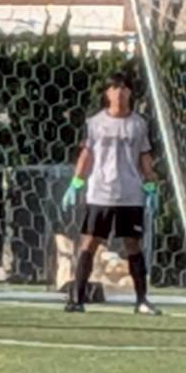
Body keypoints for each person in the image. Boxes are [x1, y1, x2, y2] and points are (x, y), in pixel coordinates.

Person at [60, 71, 160, 316]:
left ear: (131, 92)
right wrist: (76, 182)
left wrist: (150, 184)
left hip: (130, 194)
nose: (120, 92)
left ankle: (142, 300)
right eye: (114, 87)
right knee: (89, 242)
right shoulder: (95, 123)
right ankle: (77, 299)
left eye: (124, 87)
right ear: (106, 93)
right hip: (100, 193)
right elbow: (86, 154)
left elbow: (144, 155)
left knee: (132, 244)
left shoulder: (139, 124)